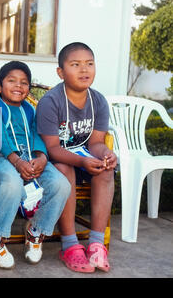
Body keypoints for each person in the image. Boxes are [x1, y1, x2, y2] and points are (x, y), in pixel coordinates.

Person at [36, 42, 117, 273]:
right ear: (61, 72)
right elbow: (51, 148)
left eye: (89, 64)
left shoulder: (98, 101)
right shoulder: (51, 102)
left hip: (83, 155)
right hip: (54, 160)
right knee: (64, 168)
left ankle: (96, 243)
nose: (84, 70)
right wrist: (82, 161)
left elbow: (95, 143)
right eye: (76, 65)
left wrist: (106, 155)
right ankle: (70, 245)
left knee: (106, 169)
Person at [0, 61, 70, 269]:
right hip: (1, 158)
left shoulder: (30, 109)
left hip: (30, 158)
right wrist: (16, 161)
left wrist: (41, 157)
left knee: (61, 185)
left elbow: (36, 135)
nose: (18, 86)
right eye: (11, 81)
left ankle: (36, 229)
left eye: (24, 83)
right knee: (12, 184)